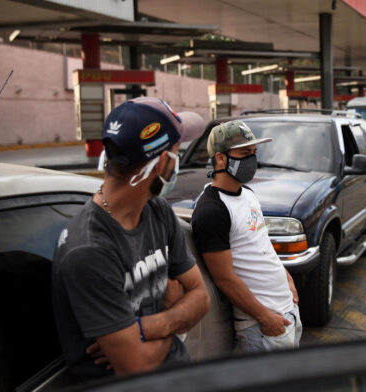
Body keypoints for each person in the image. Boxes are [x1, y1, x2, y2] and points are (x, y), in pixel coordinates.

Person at [52, 97, 209, 381]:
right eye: (177, 151)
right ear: (163, 162)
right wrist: (175, 313)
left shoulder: (158, 211)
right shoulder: (89, 250)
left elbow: (201, 298)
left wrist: (143, 327)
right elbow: (136, 367)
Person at [191, 120, 301, 353]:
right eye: (244, 153)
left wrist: (287, 278)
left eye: (253, 152)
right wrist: (264, 317)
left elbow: (260, 245)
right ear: (220, 158)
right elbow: (224, 278)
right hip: (262, 326)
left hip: (286, 311)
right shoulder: (212, 210)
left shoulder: (248, 194)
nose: (252, 160)